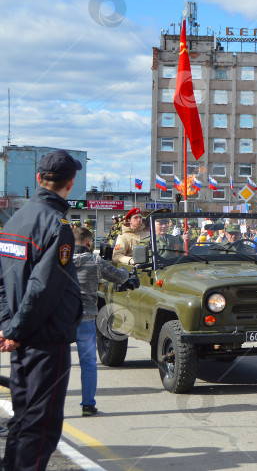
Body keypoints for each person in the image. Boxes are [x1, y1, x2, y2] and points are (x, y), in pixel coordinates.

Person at [0, 149, 84, 470]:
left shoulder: (15, 221)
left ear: (38, 179)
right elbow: (43, 289)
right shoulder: (58, 226)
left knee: (22, 420)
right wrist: (15, 330)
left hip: (21, 340)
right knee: (40, 427)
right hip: (46, 342)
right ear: (70, 184)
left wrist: (9, 327)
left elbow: (2, 284)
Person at [72, 226, 130, 416]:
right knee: (88, 362)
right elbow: (119, 276)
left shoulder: (59, 261)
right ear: (88, 243)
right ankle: (88, 404)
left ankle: (51, 405)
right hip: (86, 317)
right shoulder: (94, 261)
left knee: (58, 363)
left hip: (61, 319)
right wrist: (129, 275)